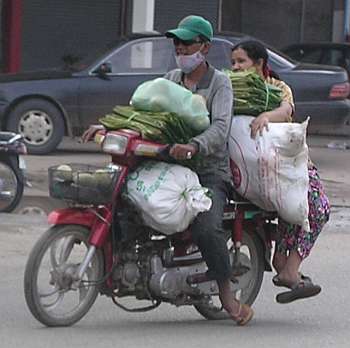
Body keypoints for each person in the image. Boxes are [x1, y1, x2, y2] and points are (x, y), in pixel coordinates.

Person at [82, 16, 254, 325]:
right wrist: (107, 125)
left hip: (207, 172)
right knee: (125, 203)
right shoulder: (172, 77)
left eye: (187, 43)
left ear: (205, 46)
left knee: (205, 227)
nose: (180, 48)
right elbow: (142, 111)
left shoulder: (220, 83)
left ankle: (227, 292)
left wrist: (194, 145)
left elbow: (220, 128)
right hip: (170, 167)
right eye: (177, 43)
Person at [231, 40, 330, 303]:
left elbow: (287, 110)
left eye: (241, 62)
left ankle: (285, 261)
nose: (236, 67)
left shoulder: (276, 87)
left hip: (288, 165)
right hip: (257, 171)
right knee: (319, 210)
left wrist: (266, 116)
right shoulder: (231, 89)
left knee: (303, 209)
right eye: (233, 63)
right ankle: (289, 268)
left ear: (259, 63)